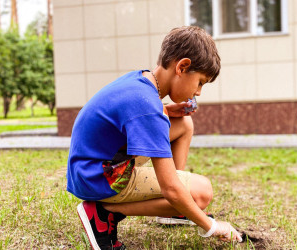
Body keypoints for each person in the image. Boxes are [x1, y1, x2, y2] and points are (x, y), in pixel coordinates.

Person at [66, 26, 242, 250]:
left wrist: (165, 111)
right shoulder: (148, 107)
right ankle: (103, 213)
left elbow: (132, 117)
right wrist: (212, 226)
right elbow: (170, 187)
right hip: (99, 177)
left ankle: (177, 210)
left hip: (88, 167)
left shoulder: (141, 81)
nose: (198, 92)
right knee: (201, 193)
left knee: (183, 124)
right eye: (200, 82)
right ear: (182, 66)